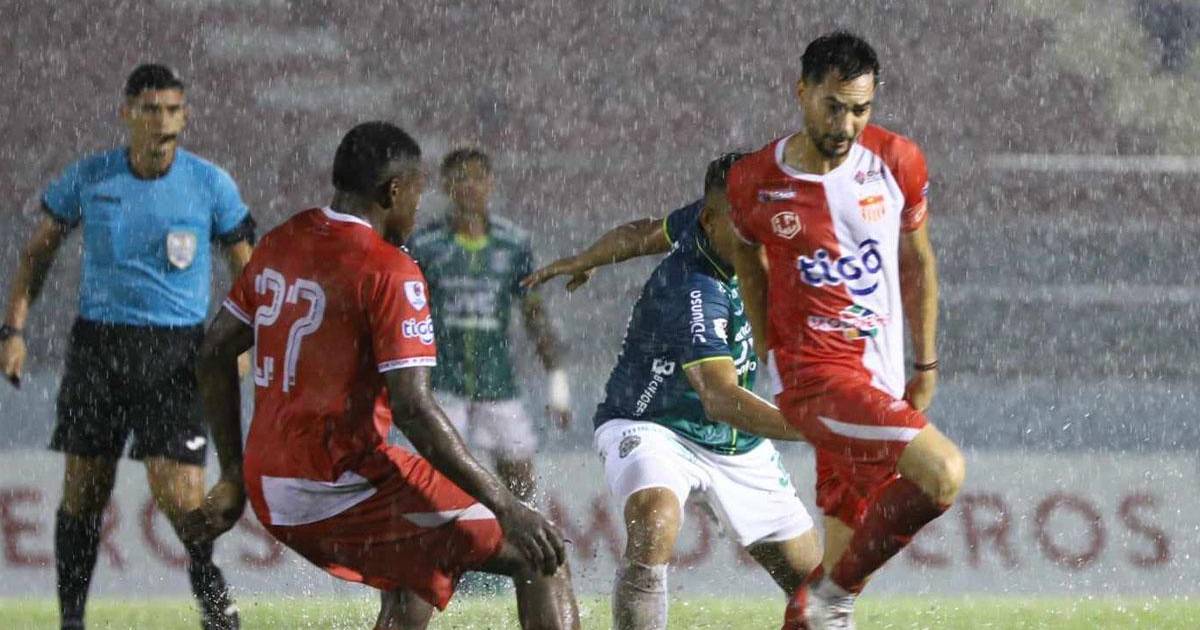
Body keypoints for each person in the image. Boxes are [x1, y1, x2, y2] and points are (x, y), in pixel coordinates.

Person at [182, 122, 580, 630]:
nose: (418, 208)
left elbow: (213, 352)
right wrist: (506, 506)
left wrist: (234, 475)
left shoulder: (284, 239)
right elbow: (413, 409)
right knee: (542, 556)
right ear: (393, 191)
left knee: (413, 582)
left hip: (271, 480)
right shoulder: (388, 269)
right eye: (416, 192)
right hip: (338, 483)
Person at [725, 32, 966, 629]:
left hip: (877, 383)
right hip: (815, 380)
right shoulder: (755, 179)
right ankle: (829, 592)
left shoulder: (898, 162)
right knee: (942, 475)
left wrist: (925, 365)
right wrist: (765, 344)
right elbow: (748, 261)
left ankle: (825, 599)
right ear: (802, 92)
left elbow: (918, 263)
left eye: (861, 108)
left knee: (832, 608)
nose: (846, 123)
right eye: (833, 106)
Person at [0, 64, 253, 630]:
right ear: (127, 114)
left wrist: (245, 344)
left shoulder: (210, 184)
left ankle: (218, 613)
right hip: (99, 349)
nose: (163, 121)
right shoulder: (89, 178)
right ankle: (71, 619)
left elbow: (249, 269)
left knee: (184, 498)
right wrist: (12, 330)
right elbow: (37, 255)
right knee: (84, 492)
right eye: (150, 110)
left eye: (172, 110)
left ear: (185, 115)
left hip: (178, 354)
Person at [525, 154, 821, 630]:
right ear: (712, 218)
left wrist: (591, 257)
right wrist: (817, 426)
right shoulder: (693, 288)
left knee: (816, 591)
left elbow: (643, 232)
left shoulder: (717, 222)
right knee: (655, 518)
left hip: (734, 441)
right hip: (652, 422)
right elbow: (720, 397)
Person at [406, 148, 570, 503]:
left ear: (491, 183)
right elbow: (402, 315)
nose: (470, 186)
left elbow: (534, 316)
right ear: (446, 186)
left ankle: (522, 551)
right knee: (440, 490)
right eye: (460, 177)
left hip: (497, 383)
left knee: (521, 485)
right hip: (442, 385)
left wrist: (557, 382)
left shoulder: (513, 244)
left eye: (478, 177)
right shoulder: (423, 245)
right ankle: (451, 554)